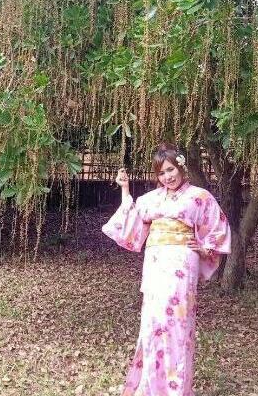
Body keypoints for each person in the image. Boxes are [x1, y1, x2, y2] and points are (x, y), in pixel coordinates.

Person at [102, 143, 232, 396]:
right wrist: (125, 188)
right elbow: (132, 216)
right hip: (156, 261)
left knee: (178, 322)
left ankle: (176, 388)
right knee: (153, 321)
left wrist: (205, 248)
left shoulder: (199, 196)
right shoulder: (152, 199)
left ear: (181, 167)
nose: (167, 177)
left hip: (182, 261)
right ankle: (150, 386)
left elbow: (218, 226)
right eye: (161, 173)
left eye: (170, 170)